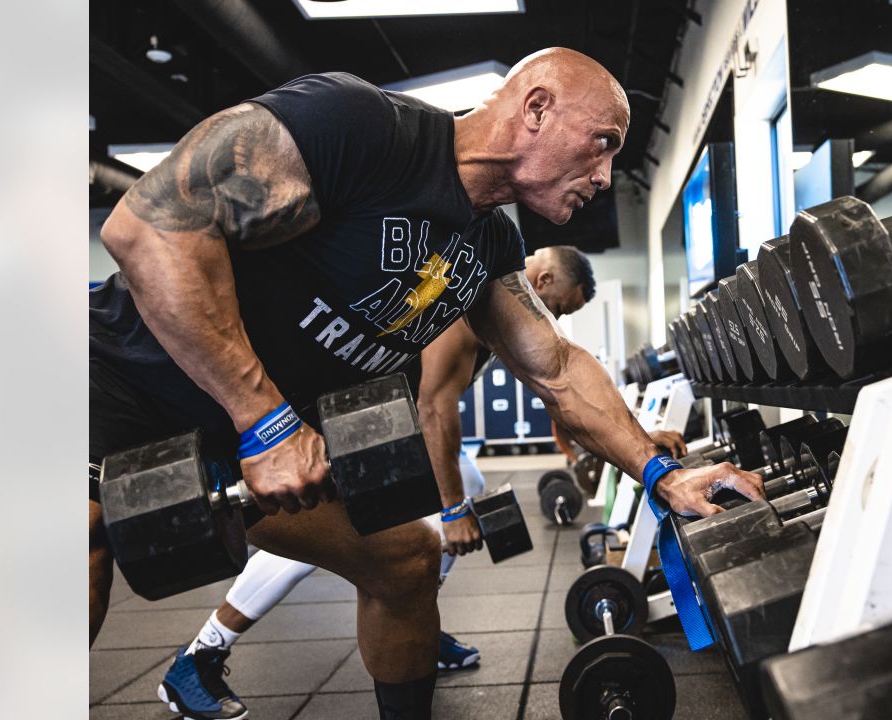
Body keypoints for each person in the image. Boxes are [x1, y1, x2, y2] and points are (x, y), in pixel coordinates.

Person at [90, 47, 763, 720]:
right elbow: (147, 227)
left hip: (238, 438)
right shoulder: (360, 126)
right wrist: (266, 421)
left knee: (407, 562)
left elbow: (556, 368)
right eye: (601, 145)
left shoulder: (489, 247)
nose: (605, 173)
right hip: (120, 380)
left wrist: (658, 472)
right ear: (536, 108)